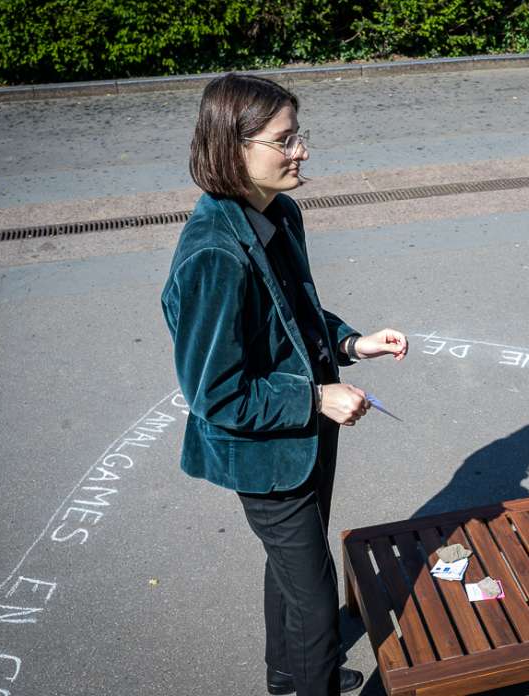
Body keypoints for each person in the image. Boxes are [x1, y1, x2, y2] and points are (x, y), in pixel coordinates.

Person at [161, 73, 409, 696]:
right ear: (233, 148)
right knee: (317, 602)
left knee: (295, 574)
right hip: (265, 454)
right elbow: (215, 395)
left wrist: (352, 343)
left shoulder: (281, 212)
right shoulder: (214, 255)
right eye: (285, 139)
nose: (301, 151)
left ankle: (288, 676)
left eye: (299, 135)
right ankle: (310, 679)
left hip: (304, 438)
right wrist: (316, 395)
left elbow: (295, 318)